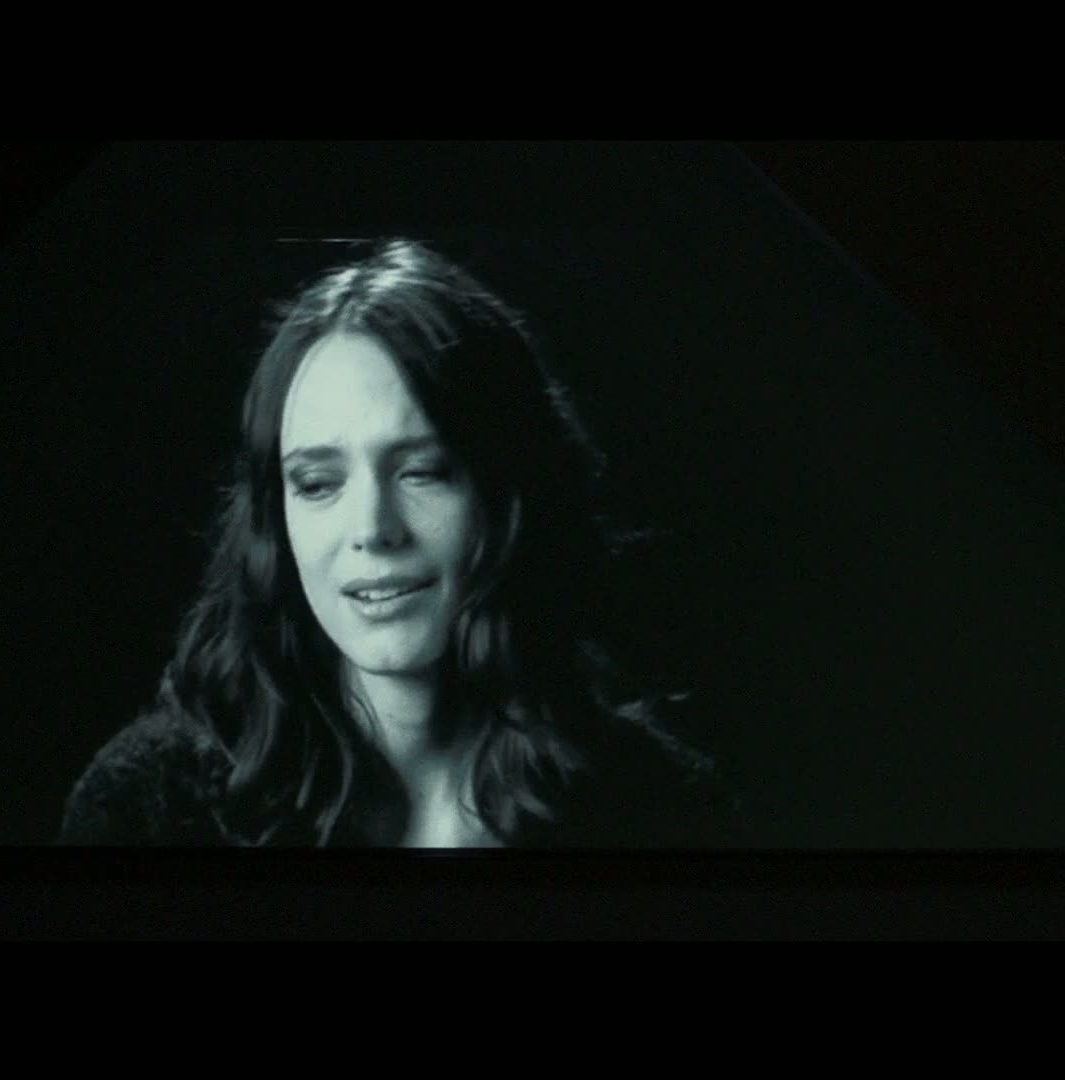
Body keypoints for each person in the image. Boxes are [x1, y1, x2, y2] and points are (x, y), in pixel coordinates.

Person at [60, 238, 742, 848]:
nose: (371, 529)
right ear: (277, 520)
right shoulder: (148, 807)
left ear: (509, 492)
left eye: (423, 471)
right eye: (318, 483)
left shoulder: (660, 809)